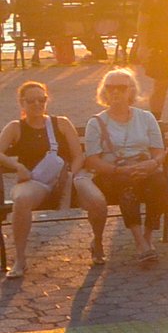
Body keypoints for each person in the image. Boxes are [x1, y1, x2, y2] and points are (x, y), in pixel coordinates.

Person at [2, 80, 109, 277]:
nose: (37, 104)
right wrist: (17, 166)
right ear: (22, 103)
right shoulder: (16, 127)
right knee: (22, 199)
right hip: (36, 181)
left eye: (41, 100)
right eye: (31, 101)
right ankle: (20, 258)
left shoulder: (61, 123)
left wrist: (69, 175)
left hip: (68, 176)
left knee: (96, 199)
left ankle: (98, 241)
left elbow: (79, 155)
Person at [82, 68, 168, 266]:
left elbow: (159, 151)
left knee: (159, 182)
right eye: (110, 88)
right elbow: (92, 160)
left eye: (121, 88)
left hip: (144, 168)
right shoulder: (96, 122)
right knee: (126, 185)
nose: (115, 92)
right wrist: (119, 170)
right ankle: (140, 243)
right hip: (111, 174)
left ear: (131, 91)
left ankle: (148, 238)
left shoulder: (146, 117)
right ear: (104, 91)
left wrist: (152, 163)